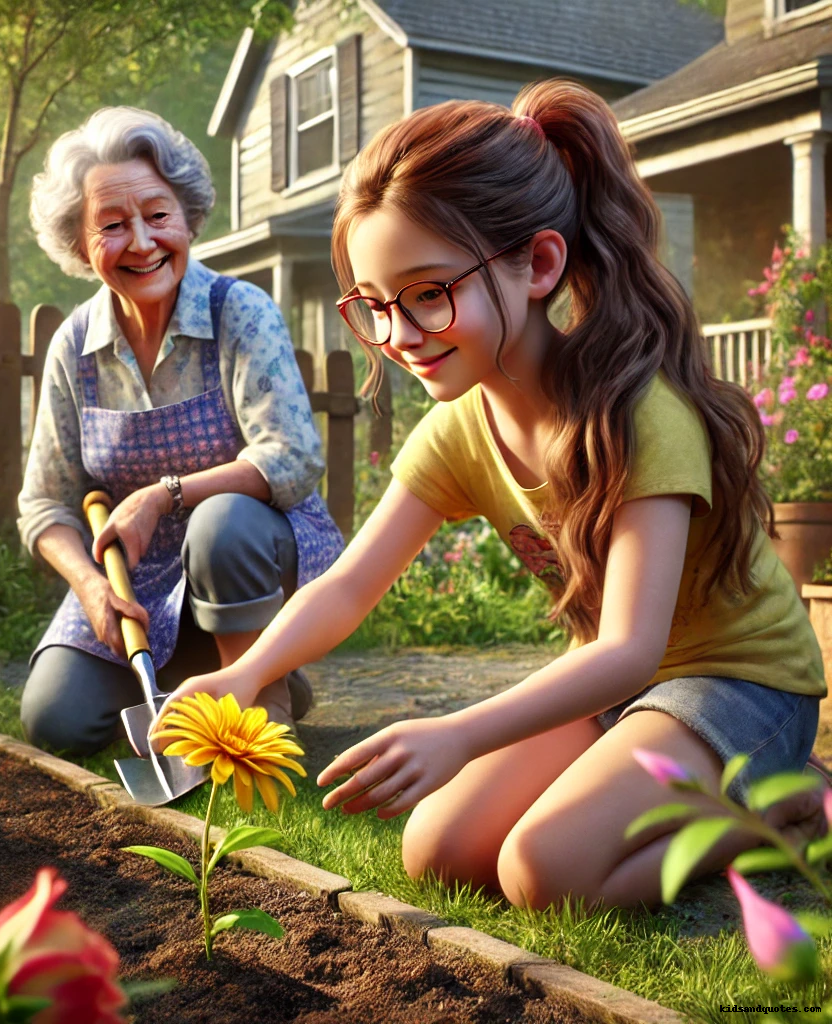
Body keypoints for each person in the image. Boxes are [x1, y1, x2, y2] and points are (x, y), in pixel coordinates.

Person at [136, 79, 830, 911]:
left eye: (428, 293)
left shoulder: (637, 415)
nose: (398, 337)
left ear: (538, 264)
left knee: (544, 872)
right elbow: (350, 585)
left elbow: (630, 650)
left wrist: (460, 733)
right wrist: (245, 675)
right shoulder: (460, 429)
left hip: (737, 685)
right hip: (620, 691)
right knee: (437, 848)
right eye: (375, 305)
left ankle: (789, 808)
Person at [16, 106, 344, 755]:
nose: (140, 242)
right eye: (112, 225)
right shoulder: (75, 345)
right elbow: (44, 504)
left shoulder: (238, 312)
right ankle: (186, 682)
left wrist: (163, 494)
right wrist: (92, 588)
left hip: (245, 555)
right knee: (54, 720)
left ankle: (260, 696)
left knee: (221, 521)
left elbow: (293, 455)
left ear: (187, 217)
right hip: (135, 584)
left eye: (157, 215)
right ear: (82, 247)